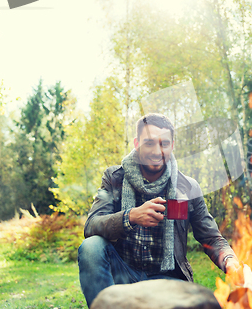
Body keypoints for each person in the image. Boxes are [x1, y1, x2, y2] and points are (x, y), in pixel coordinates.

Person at [78, 113, 242, 307]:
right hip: (124, 272)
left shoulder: (187, 187)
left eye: (164, 143)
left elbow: (211, 237)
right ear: (136, 143)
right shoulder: (114, 178)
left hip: (167, 279)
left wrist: (231, 262)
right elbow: (92, 225)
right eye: (149, 143)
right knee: (91, 247)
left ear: (172, 146)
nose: (157, 151)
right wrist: (130, 217)